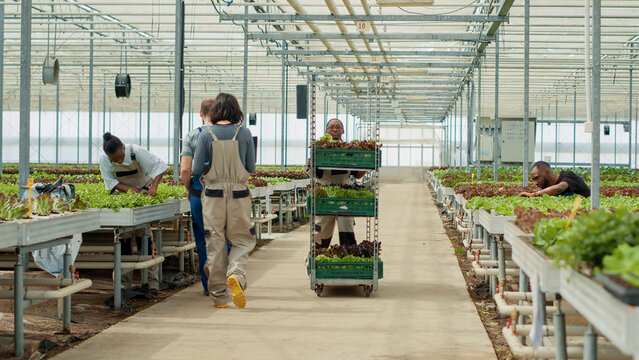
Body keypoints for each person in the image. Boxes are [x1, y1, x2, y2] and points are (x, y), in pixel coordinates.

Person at [192, 93, 256, 309]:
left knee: (216, 242)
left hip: (213, 194)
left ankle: (219, 297)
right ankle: (236, 274)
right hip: (239, 193)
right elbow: (251, 167)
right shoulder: (244, 133)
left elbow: (196, 169)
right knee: (241, 239)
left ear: (216, 111)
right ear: (236, 110)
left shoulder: (206, 134)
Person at [99, 132, 168, 295]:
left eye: (120, 157)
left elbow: (160, 166)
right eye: (115, 160)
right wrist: (128, 189)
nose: (119, 161)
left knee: (146, 239)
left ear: (123, 147)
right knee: (123, 242)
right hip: (123, 201)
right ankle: (123, 287)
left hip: (142, 198)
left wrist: (154, 187)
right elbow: (110, 182)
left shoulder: (136, 152)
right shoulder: (105, 159)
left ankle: (152, 284)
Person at [309, 118, 366, 248]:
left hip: (344, 198)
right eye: (331, 127)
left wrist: (366, 164)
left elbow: (357, 175)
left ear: (343, 131)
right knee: (320, 233)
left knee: (347, 233)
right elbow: (313, 173)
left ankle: (348, 261)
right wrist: (310, 165)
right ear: (326, 131)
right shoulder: (318, 150)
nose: (335, 130)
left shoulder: (350, 150)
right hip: (324, 197)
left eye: (338, 127)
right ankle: (316, 262)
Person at [180, 98, 216, 296]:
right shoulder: (228, 135)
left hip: (198, 190)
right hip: (222, 189)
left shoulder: (192, 136)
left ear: (200, 114)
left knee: (202, 237)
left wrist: (188, 188)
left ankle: (208, 284)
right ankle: (223, 275)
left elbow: (186, 168)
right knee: (224, 234)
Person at [519, 161, 590, 197]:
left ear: (547, 173)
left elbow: (560, 187)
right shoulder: (548, 189)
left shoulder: (568, 175)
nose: (536, 182)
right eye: (534, 180)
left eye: (537, 178)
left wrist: (533, 195)